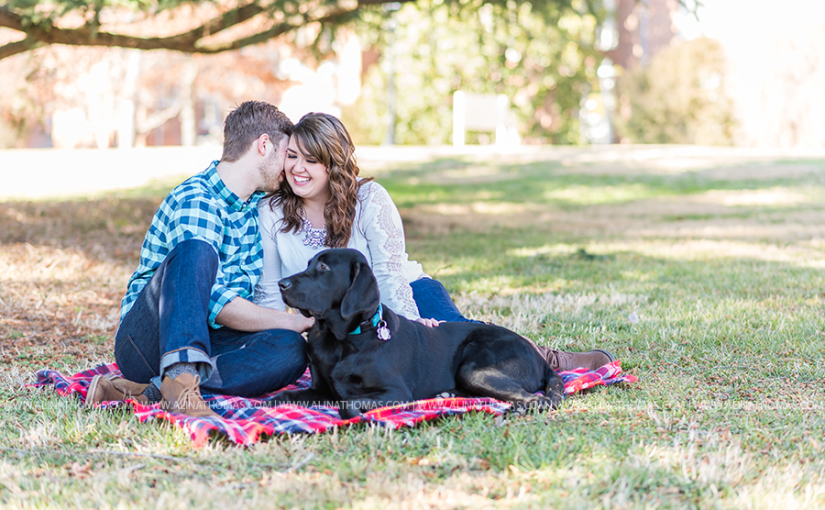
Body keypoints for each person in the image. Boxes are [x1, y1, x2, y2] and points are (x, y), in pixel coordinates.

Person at [255, 112, 614, 371]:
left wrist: (411, 323)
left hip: (406, 296)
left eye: (312, 160)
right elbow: (270, 294)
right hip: (342, 321)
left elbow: (390, 273)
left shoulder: (369, 199)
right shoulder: (272, 212)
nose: (298, 168)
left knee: (458, 345)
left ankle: (547, 359)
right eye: (292, 156)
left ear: (332, 165)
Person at [85, 101, 315, 418]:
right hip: (149, 340)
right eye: (287, 154)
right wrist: (291, 320)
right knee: (196, 250)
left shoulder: (256, 205)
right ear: (264, 145)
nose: (288, 168)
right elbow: (212, 302)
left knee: (290, 349)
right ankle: (178, 382)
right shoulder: (197, 199)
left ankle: (151, 391)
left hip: (208, 339)